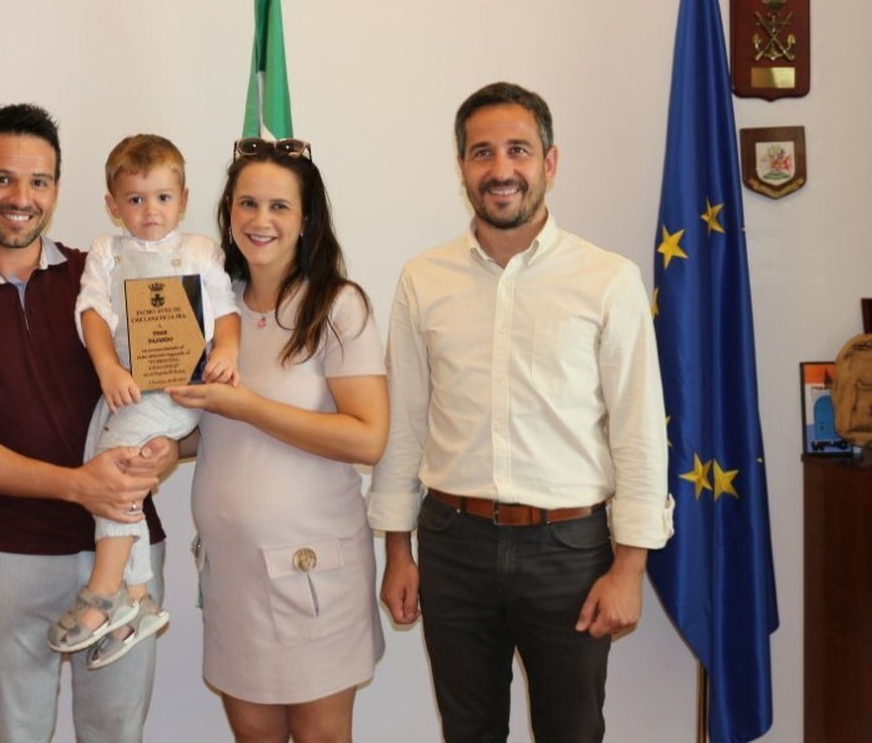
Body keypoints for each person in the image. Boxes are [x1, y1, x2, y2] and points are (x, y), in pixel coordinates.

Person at [367, 82, 673, 743]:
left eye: (518, 150)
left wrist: (629, 568)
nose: (500, 169)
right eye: (482, 152)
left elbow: (640, 433)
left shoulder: (607, 280)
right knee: (468, 732)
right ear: (461, 167)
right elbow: (406, 423)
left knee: (572, 732)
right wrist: (397, 548)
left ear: (549, 163)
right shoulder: (424, 280)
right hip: (453, 545)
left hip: (570, 553)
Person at [0, 103, 181, 743]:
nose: (21, 199)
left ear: (56, 188)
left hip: (127, 549)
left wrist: (169, 447)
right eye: (2, 179)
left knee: (117, 736)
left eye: (39, 182)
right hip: (12, 562)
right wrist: (78, 486)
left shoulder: (101, 276)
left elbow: (174, 394)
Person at [168, 136, 389, 743]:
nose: (260, 220)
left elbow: (368, 437)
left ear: (306, 219)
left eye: (279, 206)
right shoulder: (212, 307)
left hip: (313, 572)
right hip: (232, 571)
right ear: (228, 212)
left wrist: (249, 405)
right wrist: (169, 446)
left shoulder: (336, 306)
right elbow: (217, 422)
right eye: (247, 203)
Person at [48, 134, 240, 668]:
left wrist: (226, 350)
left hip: (179, 388)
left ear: (183, 199)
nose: (150, 210)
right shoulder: (107, 252)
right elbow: (91, 312)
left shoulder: (200, 250)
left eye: (162, 197)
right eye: (135, 199)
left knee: (115, 469)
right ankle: (138, 599)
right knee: (108, 463)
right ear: (113, 205)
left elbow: (225, 310)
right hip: (127, 387)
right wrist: (107, 368)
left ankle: (103, 590)